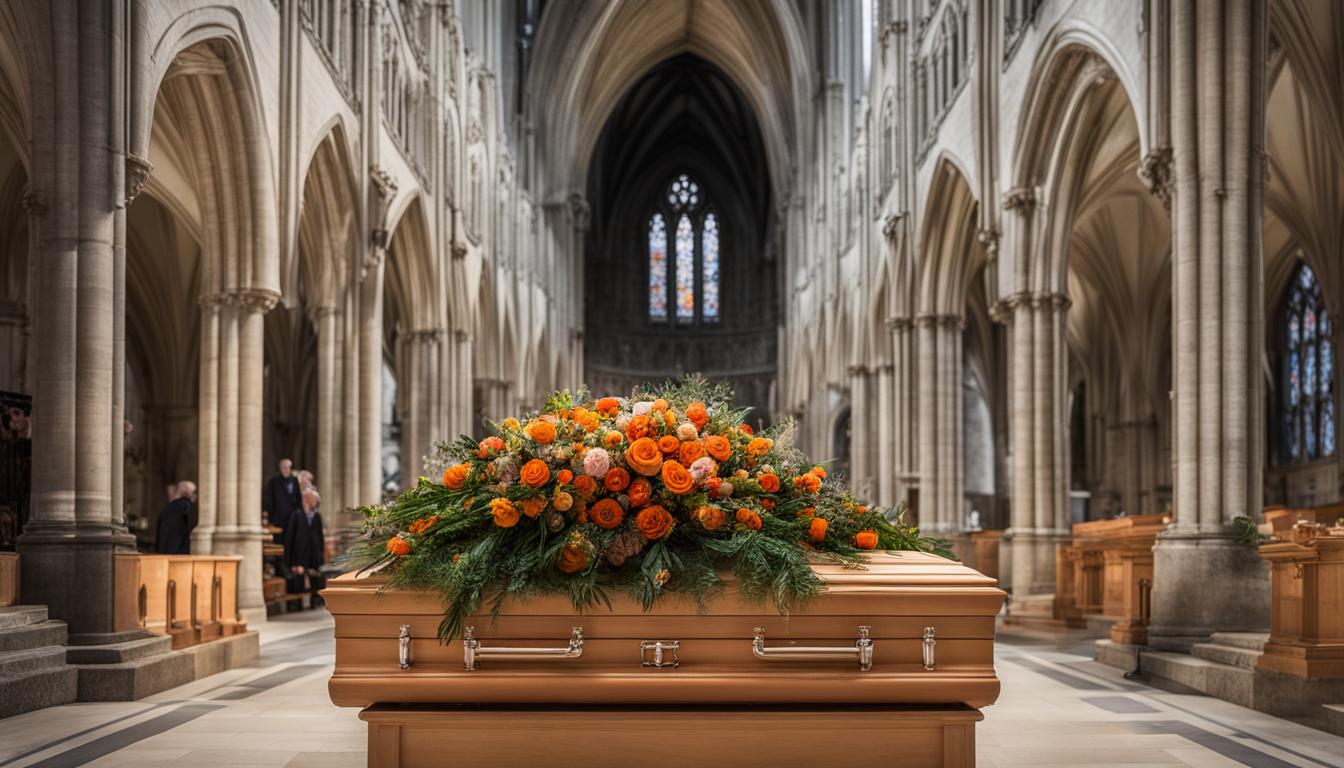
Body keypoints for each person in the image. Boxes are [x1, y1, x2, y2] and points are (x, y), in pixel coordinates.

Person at [283, 487, 327, 599]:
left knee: (316, 579)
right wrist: (289, 560)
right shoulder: (296, 515)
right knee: (299, 580)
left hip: (313, 554)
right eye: (314, 500)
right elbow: (289, 538)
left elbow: (320, 537)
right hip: (300, 553)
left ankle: (315, 600)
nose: (316, 503)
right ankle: (298, 603)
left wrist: (321, 554)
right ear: (306, 499)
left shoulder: (316, 516)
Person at [263, 458, 301, 543]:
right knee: (279, 540)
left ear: (291, 469)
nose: (286, 470)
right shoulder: (274, 482)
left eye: (288, 467)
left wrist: (299, 513)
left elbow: (298, 498)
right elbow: (269, 499)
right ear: (280, 469)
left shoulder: (295, 481)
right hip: (278, 517)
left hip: (292, 516)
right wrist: (270, 516)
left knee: (293, 541)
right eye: (283, 467)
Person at [154, 481, 197, 554]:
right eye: (194, 492)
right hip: (179, 553)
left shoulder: (173, 507)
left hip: (168, 552)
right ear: (188, 493)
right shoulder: (185, 506)